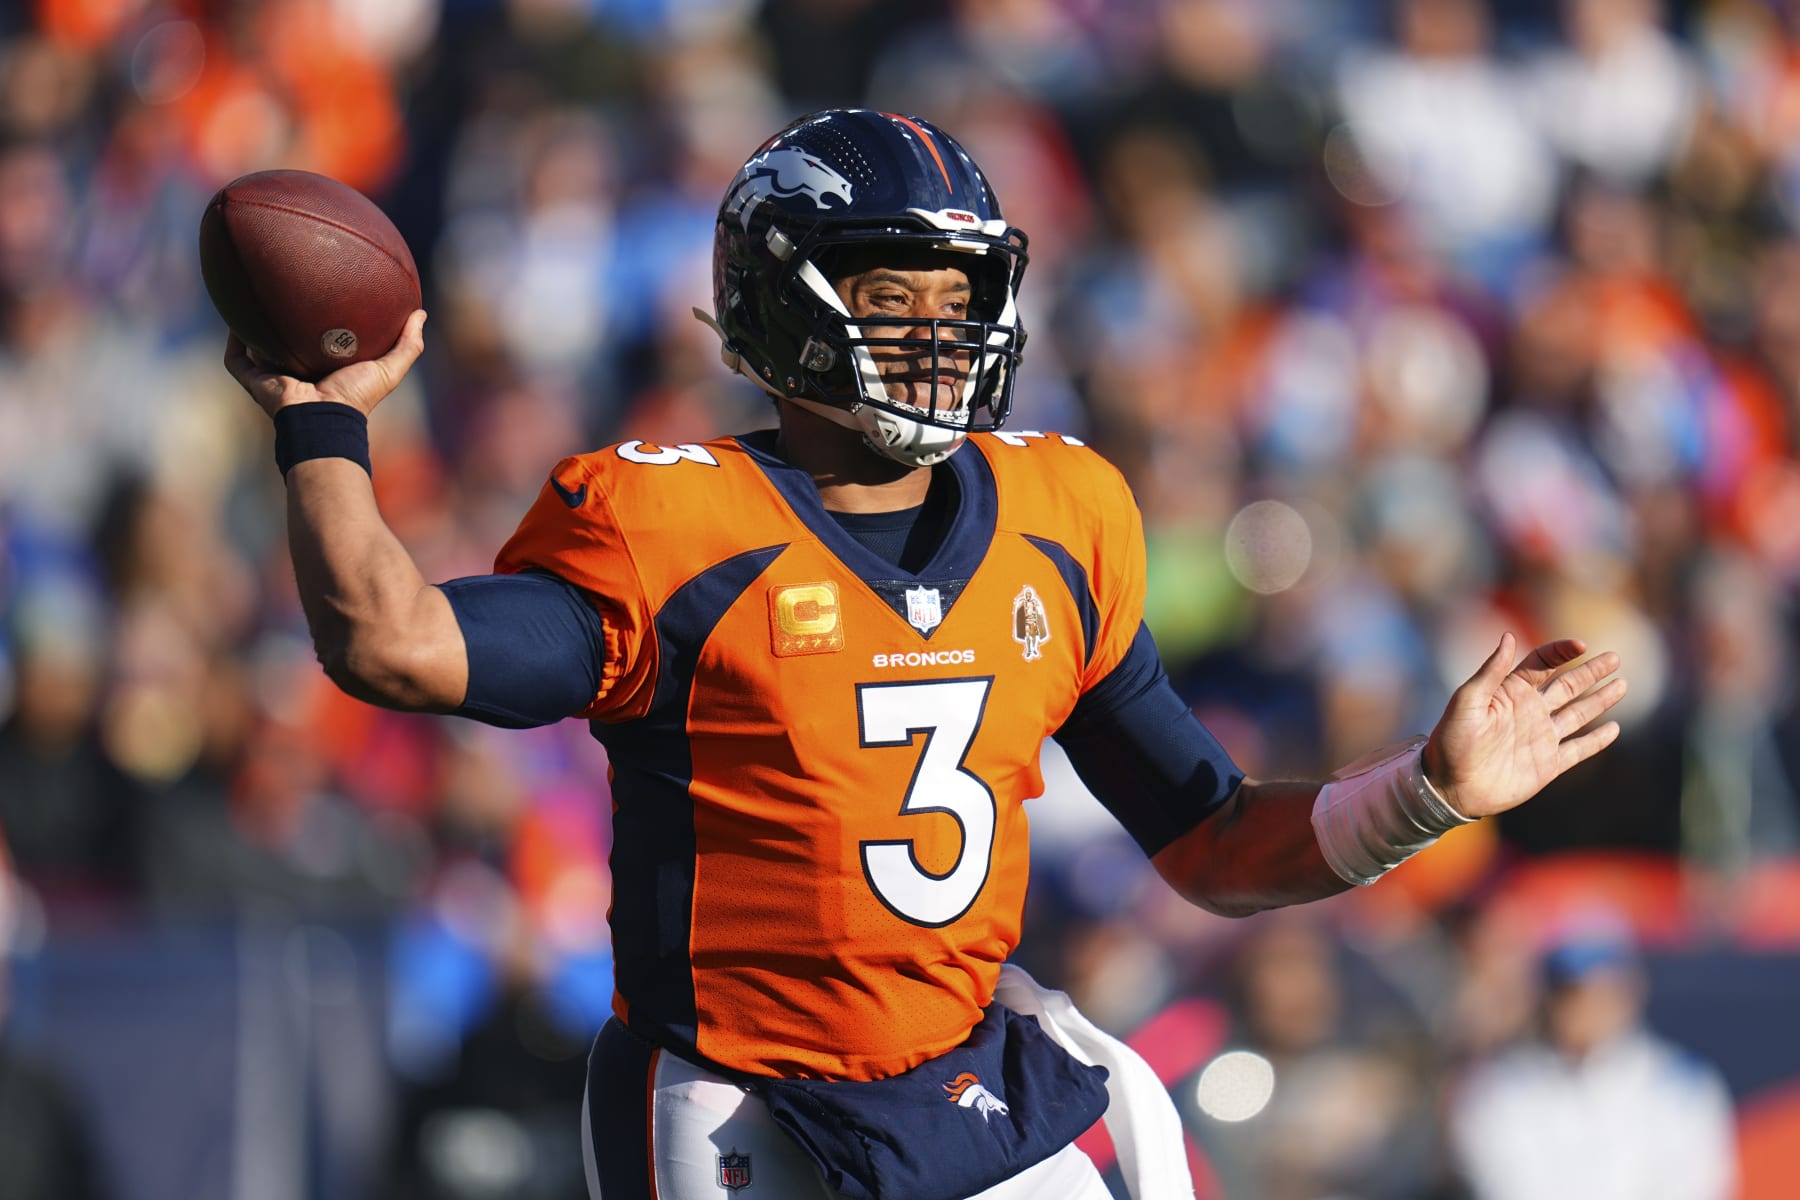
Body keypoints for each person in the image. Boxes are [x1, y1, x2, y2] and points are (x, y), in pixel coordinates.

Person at [223, 109, 1629, 1200]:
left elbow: (1205, 843)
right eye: (894, 294)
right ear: (781, 304)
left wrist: (1423, 796)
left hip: (964, 1082)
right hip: (734, 1102)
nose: (938, 331)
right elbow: (390, 644)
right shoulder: (672, 524)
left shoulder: (1057, 518)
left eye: (958, 297)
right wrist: (322, 424)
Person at [1448, 921, 1737, 1200]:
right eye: (1570, 991)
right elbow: (1505, 1187)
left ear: (1631, 990)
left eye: (1601, 989)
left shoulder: (1685, 1089)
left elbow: (1694, 1189)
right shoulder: (1499, 1090)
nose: (1585, 1006)